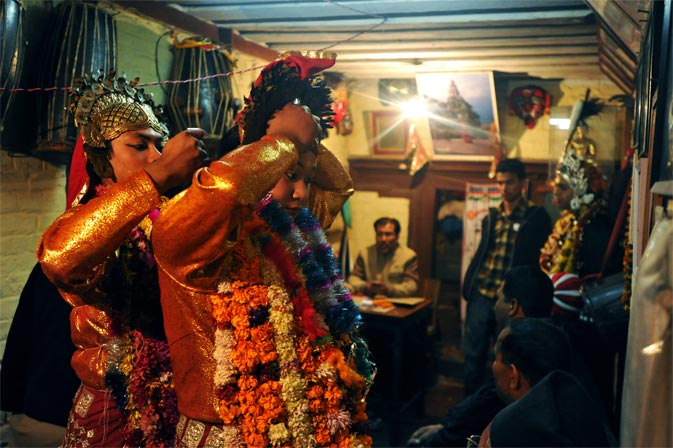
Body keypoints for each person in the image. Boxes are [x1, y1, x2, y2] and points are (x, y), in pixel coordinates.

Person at [151, 52, 376, 447]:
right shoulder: (192, 236)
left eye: (307, 178)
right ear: (255, 162)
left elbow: (340, 187)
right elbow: (226, 191)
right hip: (219, 435)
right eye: (289, 174)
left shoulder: (288, 231)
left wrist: (303, 136)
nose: (302, 193)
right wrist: (280, 139)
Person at [37, 70, 206, 446]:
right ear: (103, 160)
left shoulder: (170, 218)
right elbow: (60, 258)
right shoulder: (90, 222)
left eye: (159, 146)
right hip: (113, 407)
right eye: (139, 145)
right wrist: (159, 175)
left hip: (176, 395)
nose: (156, 156)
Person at [407, 266, 555, 447]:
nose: (494, 305)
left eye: (498, 298)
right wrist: (447, 423)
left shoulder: (520, 346)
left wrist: (442, 433)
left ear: (513, 306)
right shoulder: (551, 337)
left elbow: (484, 405)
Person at [462, 158, 552, 394]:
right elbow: (483, 252)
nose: (504, 188)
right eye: (500, 183)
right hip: (482, 292)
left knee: (505, 358)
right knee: (472, 355)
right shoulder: (492, 216)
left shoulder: (535, 217)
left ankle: (498, 409)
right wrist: (470, 285)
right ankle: (469, 406)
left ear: (522, 183)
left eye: (509, 182)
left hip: (510, 299)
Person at [483, 319, 616, 447]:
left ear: (514, 376)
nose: (493, 365)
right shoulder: (589, 420)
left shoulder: (511, 433)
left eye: (496, 358)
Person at [0, 263, 80, 447]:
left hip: (39, 410)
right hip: (80, 417)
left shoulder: (49, 266)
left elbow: (20, 337)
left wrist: (9, 400)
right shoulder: (122, 268)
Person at [540, 150, 615, 278]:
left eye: (563, 187)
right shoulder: (566, 221)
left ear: (581, 190)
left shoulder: (594, 224)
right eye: (555, 185)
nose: (555, 191)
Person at [346, 217, 419, 297]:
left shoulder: (408, 256)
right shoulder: (365, 253)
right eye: (379, 234)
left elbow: (412, 286)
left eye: (388, 234)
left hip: (395, 301)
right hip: (369, 301)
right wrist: (365, 286)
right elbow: (353, 278)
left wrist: (388, 289)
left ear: (397, 237)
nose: (383, 239)